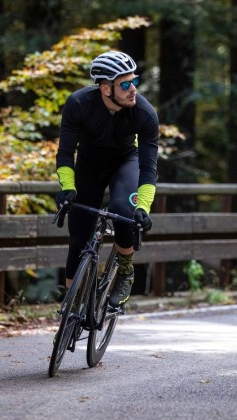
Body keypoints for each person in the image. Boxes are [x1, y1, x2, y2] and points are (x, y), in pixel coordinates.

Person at [55, 50, 159, 309]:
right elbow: (65, 153)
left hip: (126, 161)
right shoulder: (78, 104)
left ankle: (124, 270)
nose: (133, 89)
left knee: (122, 210)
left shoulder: (145, 114)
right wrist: (68, 188)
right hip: (90, 163)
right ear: (105, 88)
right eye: (125, 84)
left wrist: (143, 208)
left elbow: (148, 169)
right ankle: (70, 309)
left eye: (134, 81)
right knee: (79, 233)